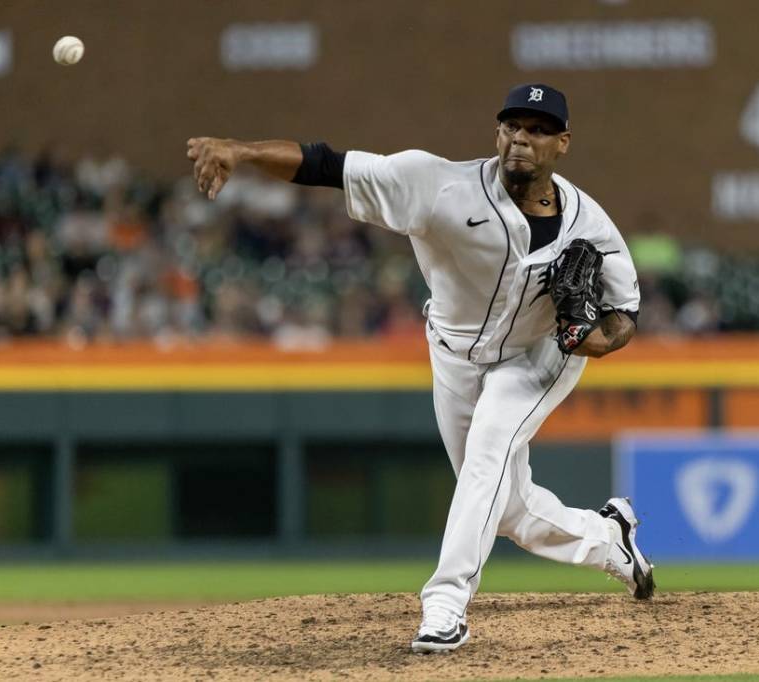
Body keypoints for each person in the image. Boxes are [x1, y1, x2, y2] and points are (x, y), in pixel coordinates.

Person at [187, 83, 654, 653]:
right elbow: (327, 165)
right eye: (512, 126)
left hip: (537, 358)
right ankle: (609, 539)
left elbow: (623, 314)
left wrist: (592, 343)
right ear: (497, 132)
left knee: (488, 451)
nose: (520, 140)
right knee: (506, 507)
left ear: (563, 142)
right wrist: (240, 151)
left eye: (536, 130)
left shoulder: (592, 226)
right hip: (453, 353)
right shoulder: (438, 185)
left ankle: (445, 603)